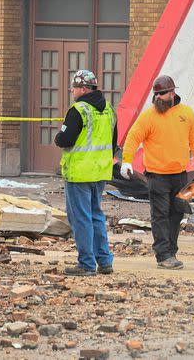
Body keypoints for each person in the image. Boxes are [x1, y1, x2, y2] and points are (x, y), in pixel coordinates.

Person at [120, 75, 194, 270]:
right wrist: (126, 161)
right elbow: (133, 138)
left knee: (176, 214)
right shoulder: (148, 116)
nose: (158, 97)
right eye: (156, 94)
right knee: (160, 215)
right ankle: (163, 255)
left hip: (179, 175)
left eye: (162, 93)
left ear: (172, 93)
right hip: (157, 176)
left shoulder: (186, 114)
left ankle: (172, 252)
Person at [55, 69, 118, 276]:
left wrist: (59, 136)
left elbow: (64, 140)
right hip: (100, 172)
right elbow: (113, 141)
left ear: (83, 89)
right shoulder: (108, 109)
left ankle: (87, 264)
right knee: (96, 216)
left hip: (80, 173)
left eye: (73, 87)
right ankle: (105, 261)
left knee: (81, 218)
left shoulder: (78, 110)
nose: (71, 90)